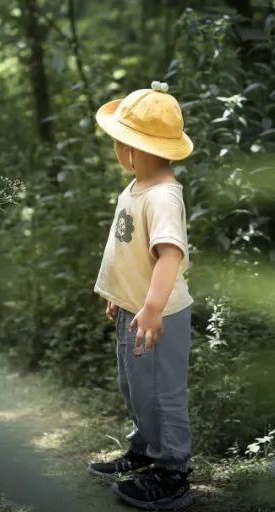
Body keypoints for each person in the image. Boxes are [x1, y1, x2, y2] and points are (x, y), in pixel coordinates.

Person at [87, 80, 195, 510]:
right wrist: (119, 293)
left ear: (138, 149)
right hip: (134, 310)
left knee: (162, 394)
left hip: (159, 316)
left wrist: (151, 308)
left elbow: (169, 256)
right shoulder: (136, 187)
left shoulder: (163, 196)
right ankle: (144, 451)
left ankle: (173, 471)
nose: (117, 150)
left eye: (119, 142)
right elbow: (127, 250)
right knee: (136, 389)